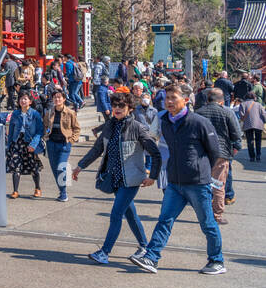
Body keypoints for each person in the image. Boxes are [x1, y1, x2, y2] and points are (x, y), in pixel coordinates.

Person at [131, 82, 226, 276]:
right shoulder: (165, 120)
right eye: (167, 98)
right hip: (174, 182)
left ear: (186, 100)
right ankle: (152, 257)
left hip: (197, 183)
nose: (169, 102)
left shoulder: (199, 122)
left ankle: (217, 261)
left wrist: (200, 169)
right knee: (164, 220)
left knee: (207, 224)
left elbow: (215, 151)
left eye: (173, 98)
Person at [74, 90, 160, 264]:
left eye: (121, 105)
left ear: (130, 108)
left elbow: (155, 153)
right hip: (114, 178)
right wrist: (80, 166)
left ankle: (105, 252)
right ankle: (144, 246)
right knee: (130, 213)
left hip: (131, 179)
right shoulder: (110, 125)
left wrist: (153, 176)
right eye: (114, 105)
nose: (117, 108)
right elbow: (97, 149)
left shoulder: (137, 127)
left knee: (116, 214)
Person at [195, 87, 241, 224]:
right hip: (221, 153)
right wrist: (235, 147)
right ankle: (217, 215)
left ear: (207, 99)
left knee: (203, 184)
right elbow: (236, 135)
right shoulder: (227, 112)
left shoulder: (198, 113)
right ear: (221, 101)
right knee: (218, 184)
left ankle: (204, 214)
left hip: (201, 154)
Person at [43, 88, 81, 201]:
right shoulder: (49, 112)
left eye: (59, 97)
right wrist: (45, 135)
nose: (57, 99)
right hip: (51, 143)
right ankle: (62, 191)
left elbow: (77, 129)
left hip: (64, 144)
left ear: (64, 99)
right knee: (55, 169)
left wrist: (72, 140)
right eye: (55, 97)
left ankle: (64, 192)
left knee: (62, 168)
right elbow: (45, 125)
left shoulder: (70, 113)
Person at [5, 90, 44, 198]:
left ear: (30, 101)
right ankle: (15, 191)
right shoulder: (15, 114)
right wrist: (9, 145)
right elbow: (11, 130)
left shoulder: (35, 114)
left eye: (25, 99)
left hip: (30, 142)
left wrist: (34, 144)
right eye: (21, 98)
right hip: (17, 142)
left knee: (33, 166)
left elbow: (40, 131)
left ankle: (37, 188)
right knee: (16, 165)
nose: (23, 101)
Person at [235, 91, 263, 162]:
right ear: (254, 97)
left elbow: (241, 115)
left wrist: (245, 119)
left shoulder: (242, 104)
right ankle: (258, 156)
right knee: (258, 140)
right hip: (258, 124)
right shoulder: (259, 104)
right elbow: (263, 114)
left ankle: (252, 157)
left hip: (248, 124)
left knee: (250, 141)